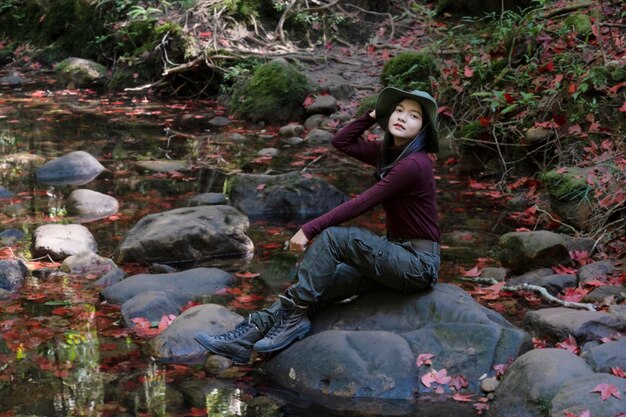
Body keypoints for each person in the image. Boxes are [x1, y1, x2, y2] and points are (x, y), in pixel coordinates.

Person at [195, 86, 441, 364]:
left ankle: (292, 321)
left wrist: (308, 229)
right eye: (398, 110)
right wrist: (373, 114)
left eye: (413, 115)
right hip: (393, 255)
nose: (402, 117)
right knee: (318, 283)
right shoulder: (389, 153)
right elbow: (342, 141)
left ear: (423, 129)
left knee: (335, 239)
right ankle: (244, 338)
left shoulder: (414, 165)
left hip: (417, 264)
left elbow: (362, 203)